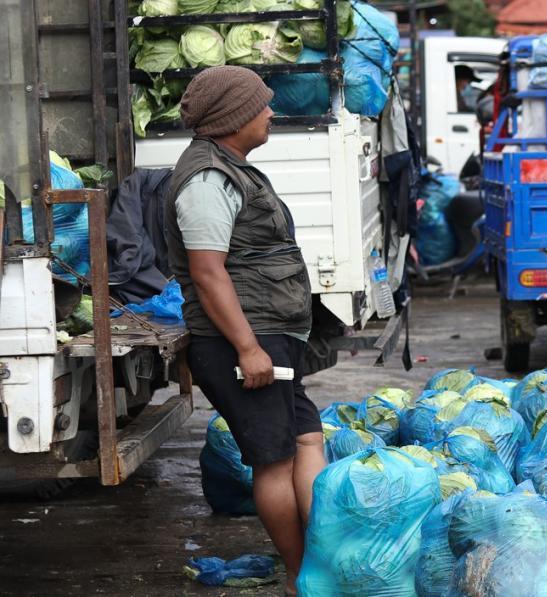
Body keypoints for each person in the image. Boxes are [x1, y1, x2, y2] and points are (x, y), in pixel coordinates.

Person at [165, 66, 326, 595]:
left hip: (269, 334)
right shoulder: (208, 180)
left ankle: (321, 560)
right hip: (241, 343)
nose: (271, 113)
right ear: (235, 117)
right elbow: (208, 274)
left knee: (307, 439)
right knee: (274, 460)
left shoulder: (233, 168)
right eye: (263, 105)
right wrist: (248, 347)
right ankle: (301, 575)